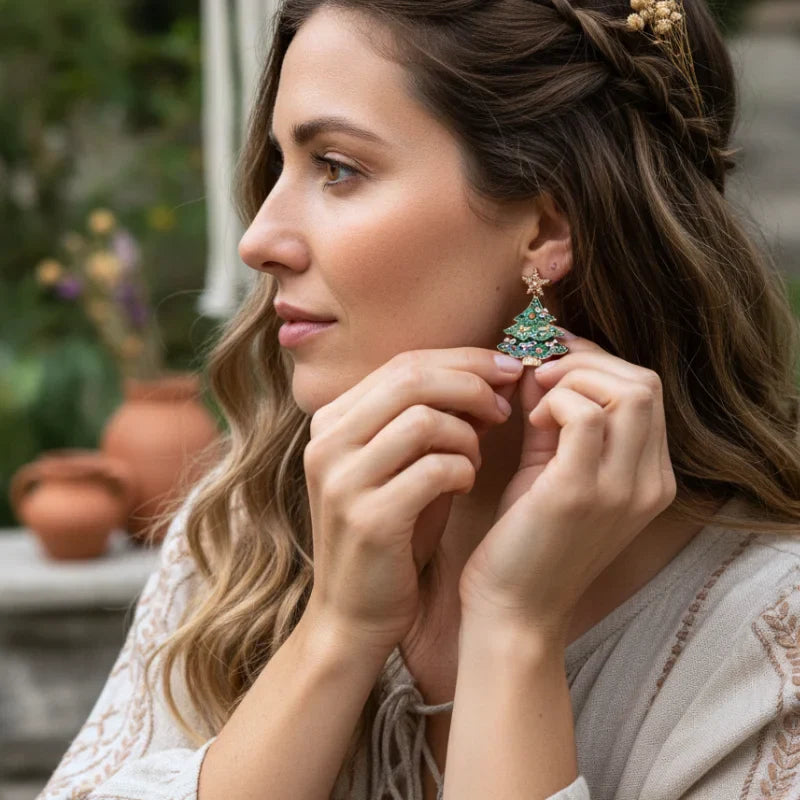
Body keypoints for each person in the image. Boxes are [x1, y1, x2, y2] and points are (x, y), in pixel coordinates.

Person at [38, 1, 800, 799]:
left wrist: (512, 629)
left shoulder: (766, 652)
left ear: (545, 230)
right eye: (280, 165)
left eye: (337, 167)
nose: (258, 239)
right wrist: (337, 633)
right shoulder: (245, 528)